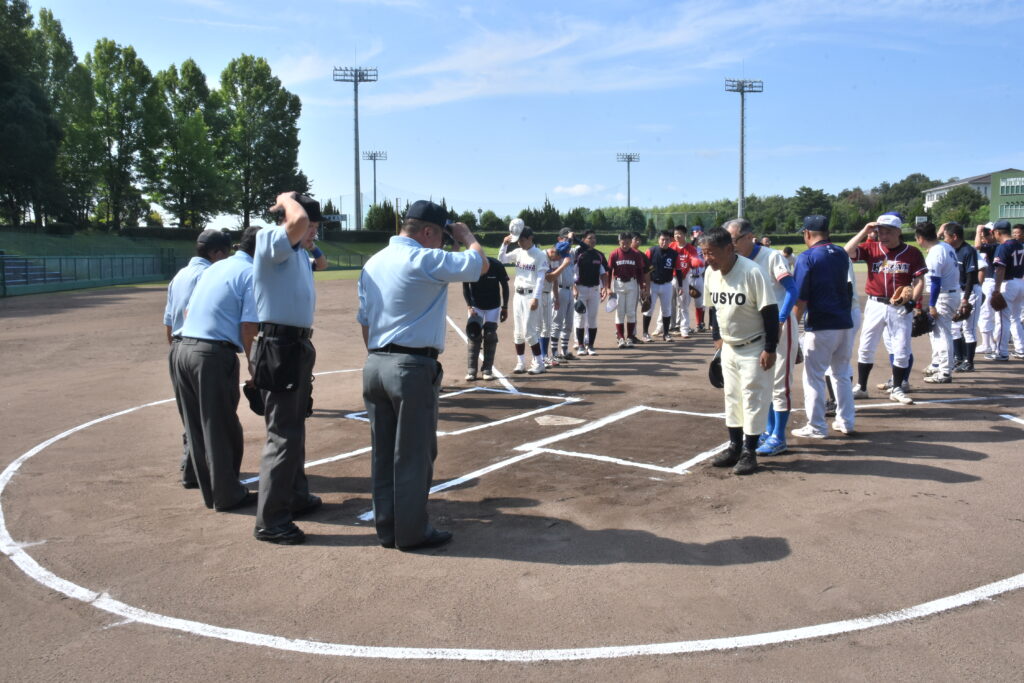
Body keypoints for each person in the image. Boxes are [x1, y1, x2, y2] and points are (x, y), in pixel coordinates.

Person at [358, 200, 486, 550]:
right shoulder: (423, 258)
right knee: (413, 454)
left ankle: (388, 527)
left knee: (382, 452)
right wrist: (466, 235)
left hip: (375, 364)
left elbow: (365, 323)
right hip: (411, 367)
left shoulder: (373, 262)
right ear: (427, 231)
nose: (445, 242)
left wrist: (379, 359)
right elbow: (480, 264)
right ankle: (411, 532)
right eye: (442, 236)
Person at [251, 193, 323, 545]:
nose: (314, 233)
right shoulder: (270, 239)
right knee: (282, 434)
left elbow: (310, 249)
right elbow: (294, 223)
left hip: (293, 346)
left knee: (293, 428)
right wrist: (285, 200)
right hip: (278, 347)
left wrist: (307, 231)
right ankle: (271, 521)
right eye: (312, 225)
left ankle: (294, 496)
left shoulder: (298, 254)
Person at [174, 227, 261, 511]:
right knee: (221, 425)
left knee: (197, 425)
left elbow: (187, 311)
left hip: (184, 348)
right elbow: (248, 325)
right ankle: (226, 494)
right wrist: (253, 366)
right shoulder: (250, 273)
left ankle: (210, 491)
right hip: (211, 355)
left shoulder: (216, 267)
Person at [702, 226, 779, 475]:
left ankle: (749, 452)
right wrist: (717, 338)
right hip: (729, 347)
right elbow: (714, 309)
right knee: (732, 397)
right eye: (704, 253)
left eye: (711, 253)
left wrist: (770, 348)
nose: (707, 258)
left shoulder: (751, 272)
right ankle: (734, 446)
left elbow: (770, 312)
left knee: (753, 398)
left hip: (755, 346)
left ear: (728, 248)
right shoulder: (710, 274)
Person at [723, 219, 799, 455]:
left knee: (779, 382)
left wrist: (781, 319)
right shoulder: (737, 262)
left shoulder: (772, 256)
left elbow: (792, 289)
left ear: (749, 237)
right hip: (755, 329)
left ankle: (779, 436)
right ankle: (767, 430)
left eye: (734, 240)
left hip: (779, 325)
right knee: (758, 380)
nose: (731, 245)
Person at [163, 229, 232, 489]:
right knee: (213, 417)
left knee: (190, 415)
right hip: (202, 347)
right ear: (215, 253)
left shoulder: (179, 275)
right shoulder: (209, 275)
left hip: (178, 349)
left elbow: (168, 321)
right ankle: (214, 479)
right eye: (225, 254)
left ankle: (191, 469)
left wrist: (176, 352)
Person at [845, 213, 926, 405]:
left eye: (888, 231)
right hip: (874, 304)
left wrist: (912, 302)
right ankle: (862, 387)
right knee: (866, 346)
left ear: (898, 231)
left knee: (901, 348)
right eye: (880, 230)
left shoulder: (912, 252)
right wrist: (865, 231)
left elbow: (920, 280)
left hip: (898, 307)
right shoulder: (871, 247)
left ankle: (897, 387)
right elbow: (847, 251)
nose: (883, 234)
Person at [788, 215, 855, 439]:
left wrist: (791, 329)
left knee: (814, 377)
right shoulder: (840, 253)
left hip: (821, 324)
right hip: (845, 322)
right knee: (842, 374)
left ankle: (817, 426)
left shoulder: (807, 256)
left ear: (807, 233)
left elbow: (800, 298)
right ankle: (846, 421)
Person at [915, 222, 961, 384]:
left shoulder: (935, 253)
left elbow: (935, 282)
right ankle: (937, 365)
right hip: (951, 293)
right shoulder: (945, 246)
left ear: (920, 238)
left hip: (944, 296)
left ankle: (945, 372)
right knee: (937, 332)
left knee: (942, 334)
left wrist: (932, 304)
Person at [498, 226, 548, 374]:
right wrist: (505, 244)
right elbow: (502, 259)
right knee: (518, 331)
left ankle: (539, 363)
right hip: (518, 296)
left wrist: (536, 297)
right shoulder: (518, 252)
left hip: (531, 296)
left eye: (522, 240)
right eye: (517, 240)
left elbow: (540, 278)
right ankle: (521, 363)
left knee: (529, 331)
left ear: (530, 238)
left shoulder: (539, 255)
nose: (519, 243)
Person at [463, 255, 509, 381]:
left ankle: (487, 369)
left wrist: (505, 307)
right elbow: (465, 287)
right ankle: (471, 370)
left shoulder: (497, 265)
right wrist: (469, 306)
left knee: (490, 335)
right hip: (475, 305)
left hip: (493, 305)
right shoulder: (471, 265)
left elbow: (505, 286)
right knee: (474, 335)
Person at [942, 222, 980, 372]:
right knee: (955, 327)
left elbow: (971, 277)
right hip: (958, 292)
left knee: (968, 328)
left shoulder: (968, 251)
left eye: (946, 236)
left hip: (970, 292)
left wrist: (965, 298)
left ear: (955, 236)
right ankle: (958, 358)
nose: (944, 239)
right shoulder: (950, 250)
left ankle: (969, 363)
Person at [988, 220, 1024, 361]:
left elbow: (1000, 269)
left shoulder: (1004, 247)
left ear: (997, 232)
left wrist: (996, 289)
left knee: (1003, 320)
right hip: (1020, 283)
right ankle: (1021, 349)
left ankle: (1002, 352)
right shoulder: (1019, 244)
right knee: (1015, 318)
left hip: (1008, 285)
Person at [607, 232, 647, 347]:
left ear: (631, 242)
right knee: (619, 312)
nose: (625, 245)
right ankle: (620, 338)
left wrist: (642, 286)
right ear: (619, 242)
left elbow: (640, 271)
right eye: (623, 242)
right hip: (618, 284)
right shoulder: (614, 254)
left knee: (630, 312)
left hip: (632, 283)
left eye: (628, 243)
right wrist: (608, 287)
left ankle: (629, 337)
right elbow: (609, 272)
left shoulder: (636, 254)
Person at [572, 230, 609, 355]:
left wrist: (605, 287)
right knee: (580, 318)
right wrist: (573, 288)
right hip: (580, 289)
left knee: (592, 318)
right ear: (583, 240)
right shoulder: (578, 253)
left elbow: (603, 273)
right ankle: (581, 345)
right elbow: (571, 272)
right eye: (590, 238)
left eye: (594, 238)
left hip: (594, 290)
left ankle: (591, 346)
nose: (593, 240)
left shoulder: (599, 255)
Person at [643, 230, 678, 342]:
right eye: (662, 239)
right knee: (648, 309)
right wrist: (645, 285)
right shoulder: (651, 251)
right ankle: (645, 333)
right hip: (653, 284)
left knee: (666, 310)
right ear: (658, 240)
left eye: (667, 240)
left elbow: (678, 270)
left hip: (667, 284)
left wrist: (681, 286)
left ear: (670, 241)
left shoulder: (673, 253)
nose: (664, 242)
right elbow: (645, 269)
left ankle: (666, 334)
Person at [549, 230, 576, 360]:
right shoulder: (556, 253)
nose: (568, 241)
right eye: (565, 238)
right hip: (559, 291)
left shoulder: (568, 254)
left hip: (569, 290)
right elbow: (553, 277)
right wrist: (556, 297)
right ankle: (554, 352)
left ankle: (564, 350)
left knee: (569, 323)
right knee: (557, 322)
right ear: (560, 238)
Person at [975, 224, 998, 355]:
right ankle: (991, 343)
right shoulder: (997, 246)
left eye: (985, 236)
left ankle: (987, 344)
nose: (982, 239)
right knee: (993, 315)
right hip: (992, 282)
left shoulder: (993, 246)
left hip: (990, 282)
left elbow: (977, 246)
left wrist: (978, 231)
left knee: (985, 314)